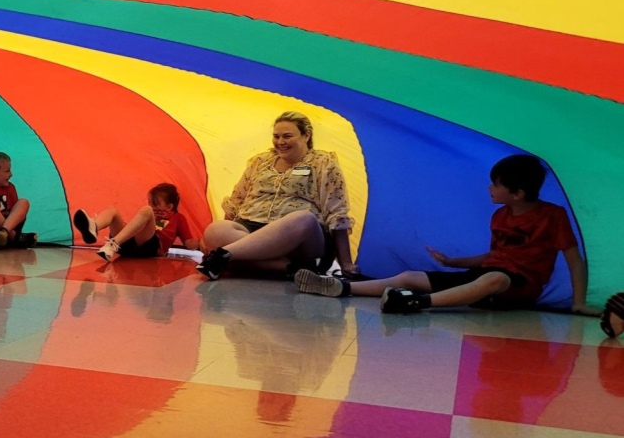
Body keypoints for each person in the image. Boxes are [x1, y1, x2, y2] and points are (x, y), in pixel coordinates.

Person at [295, 155, 598, 316]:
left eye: (496, 185)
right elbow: (493, 257)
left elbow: (575, 261)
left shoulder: (552, 216)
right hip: (488, 275)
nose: (490, 189)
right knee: (411, 275)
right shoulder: (501, 216)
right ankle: (340, 287)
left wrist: (579, 302)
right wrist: (454, 262)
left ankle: (418, 303)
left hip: (517, 285)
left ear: (517, 193)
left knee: (495, 279)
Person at [197, 111, 357, 280]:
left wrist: (345, 262)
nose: (280, 142)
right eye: (276, 136)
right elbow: (237, 200)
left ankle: (226, 255)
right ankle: (289, 268)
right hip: (251, 226)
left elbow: (337, 212)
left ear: (306, 135)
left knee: (304, 219)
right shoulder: (260, 161)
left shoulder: (323, 162)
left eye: (287, 136)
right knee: (215, 230)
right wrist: (214, 238)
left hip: (298, 235)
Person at [72, 183, 200, 262]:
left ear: (169, 206)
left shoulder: (178, 218)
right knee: (112, 210)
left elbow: (189, 244)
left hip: (150, 248)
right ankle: (94, 227)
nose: (151, 206)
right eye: (150, 202)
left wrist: (203, 240)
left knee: (146, 210)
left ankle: (113, 244)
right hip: (129, 244)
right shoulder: (150, 214)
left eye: (155, 203)